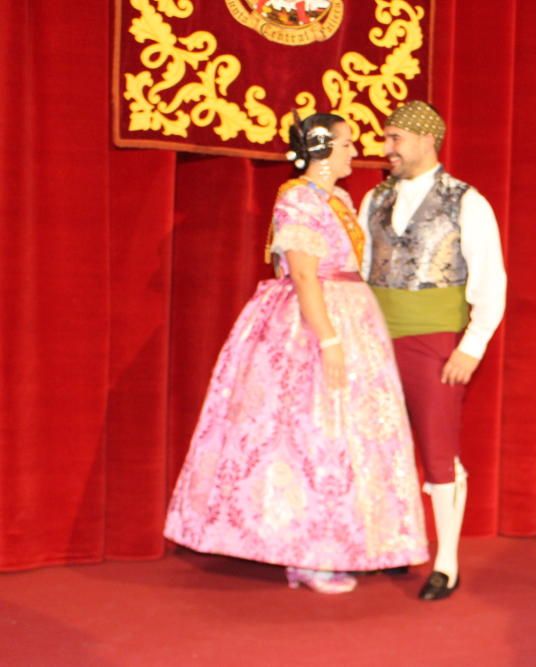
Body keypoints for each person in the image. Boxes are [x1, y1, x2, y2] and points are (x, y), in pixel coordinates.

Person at [164, 112, 428, 594]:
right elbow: (305, 275)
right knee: (309, 431)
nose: (355, 151)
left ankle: (341, 542)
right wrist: (327, 338)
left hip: (351, 311)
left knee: (349, 434)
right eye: (347, 144)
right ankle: (305, 555)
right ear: (323, 148)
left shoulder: (340, 198)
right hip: (313, 320)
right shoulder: (298, 199)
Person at [359, 101, 507, 601]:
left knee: (438, 452)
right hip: (375, 339)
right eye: (386, 138)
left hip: (435, 342)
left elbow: (491, 278)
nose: (386, 148)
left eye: (396, 138)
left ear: (427, 140)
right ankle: (395, 546)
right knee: (383, 447)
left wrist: (472, 345)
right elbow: (361, 272)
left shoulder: (467, 202)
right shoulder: (373, 199)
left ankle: (446, 561)